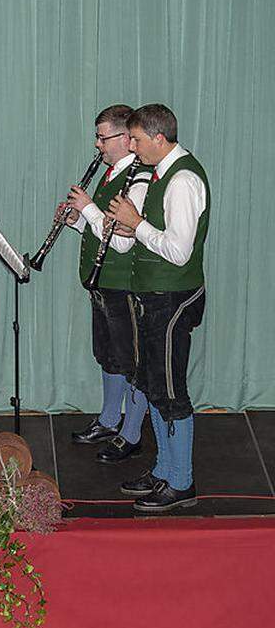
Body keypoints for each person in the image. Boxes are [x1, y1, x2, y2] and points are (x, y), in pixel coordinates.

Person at [107, 103, 210, 512]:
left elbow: (179, 252)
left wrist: (136, 224)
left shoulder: (182, 180)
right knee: (152, 384)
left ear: (158, 138)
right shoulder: (161, 173)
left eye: (135, 139)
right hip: (154, 297)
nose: (131, 146)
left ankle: (181, 481)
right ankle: (164, 468)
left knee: (170, 391)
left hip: (172, 298)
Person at [63, 104, 152, 463]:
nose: (97, 144)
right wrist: (78, 219)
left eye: (103, 137)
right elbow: (101, 227)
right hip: (103, 281)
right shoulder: (112, 172)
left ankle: (131, 434)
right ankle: (109, 418)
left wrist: (86, 209)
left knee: (132, 360)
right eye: (97, 137)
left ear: (126, 138)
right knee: (109, 355)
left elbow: (122, 240)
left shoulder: (138, 178)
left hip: (124, 283)